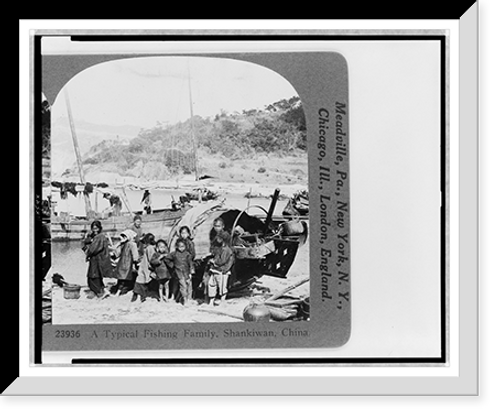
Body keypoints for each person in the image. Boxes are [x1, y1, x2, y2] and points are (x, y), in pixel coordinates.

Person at [82, 220, 113, 299]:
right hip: (98, 259)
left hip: (98, 259)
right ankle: (99, 290)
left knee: (93, 276)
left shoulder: (99, 237)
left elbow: (93, 249)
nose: (95, 230)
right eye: (93, 228)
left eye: (96, 228)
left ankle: (99, 292)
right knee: (96, 275)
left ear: (99, 228)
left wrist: (86, 249)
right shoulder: (98, 236)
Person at [205, 232, 234, 306]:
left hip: (222, 270)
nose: (217, 239)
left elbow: (222, 261)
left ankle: (222, 301)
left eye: (219, 238)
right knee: (211, 284)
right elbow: (214, 253)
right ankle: (211, 301)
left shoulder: (226, 250)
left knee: (222, 287)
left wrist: (213, 261)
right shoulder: (219, 247)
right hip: (215, 269)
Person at [165, 238, 195, 306]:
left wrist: (192, 271)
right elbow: (167, 259)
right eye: (179, 246)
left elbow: (190, 263)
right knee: (183, 286)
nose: (181, 248)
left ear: (185, 246)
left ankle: (189, 298)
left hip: (187, 272)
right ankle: (184, 299)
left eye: (183, 246)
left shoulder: (187, 254)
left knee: (189, 285)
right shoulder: (174, 254)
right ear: (177, 246)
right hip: (179, 273)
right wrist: (173, 266)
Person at [110, 229, 139, 296]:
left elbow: (118, 253)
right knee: (123, 277)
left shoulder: (128, 244)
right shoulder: (128, 244)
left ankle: (119, 290)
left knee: (122, 278)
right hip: (125, 263)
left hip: (124, 263)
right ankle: (120, 290)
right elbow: (135, 255)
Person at [131, 233, 157, 302]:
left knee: (141, 280)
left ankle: (140, 295)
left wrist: (151, 267)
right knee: (140, 279)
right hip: (143, 266)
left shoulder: (150, 248)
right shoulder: (148, 248)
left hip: (146, 267)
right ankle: (137, 294)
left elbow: (151, 258)